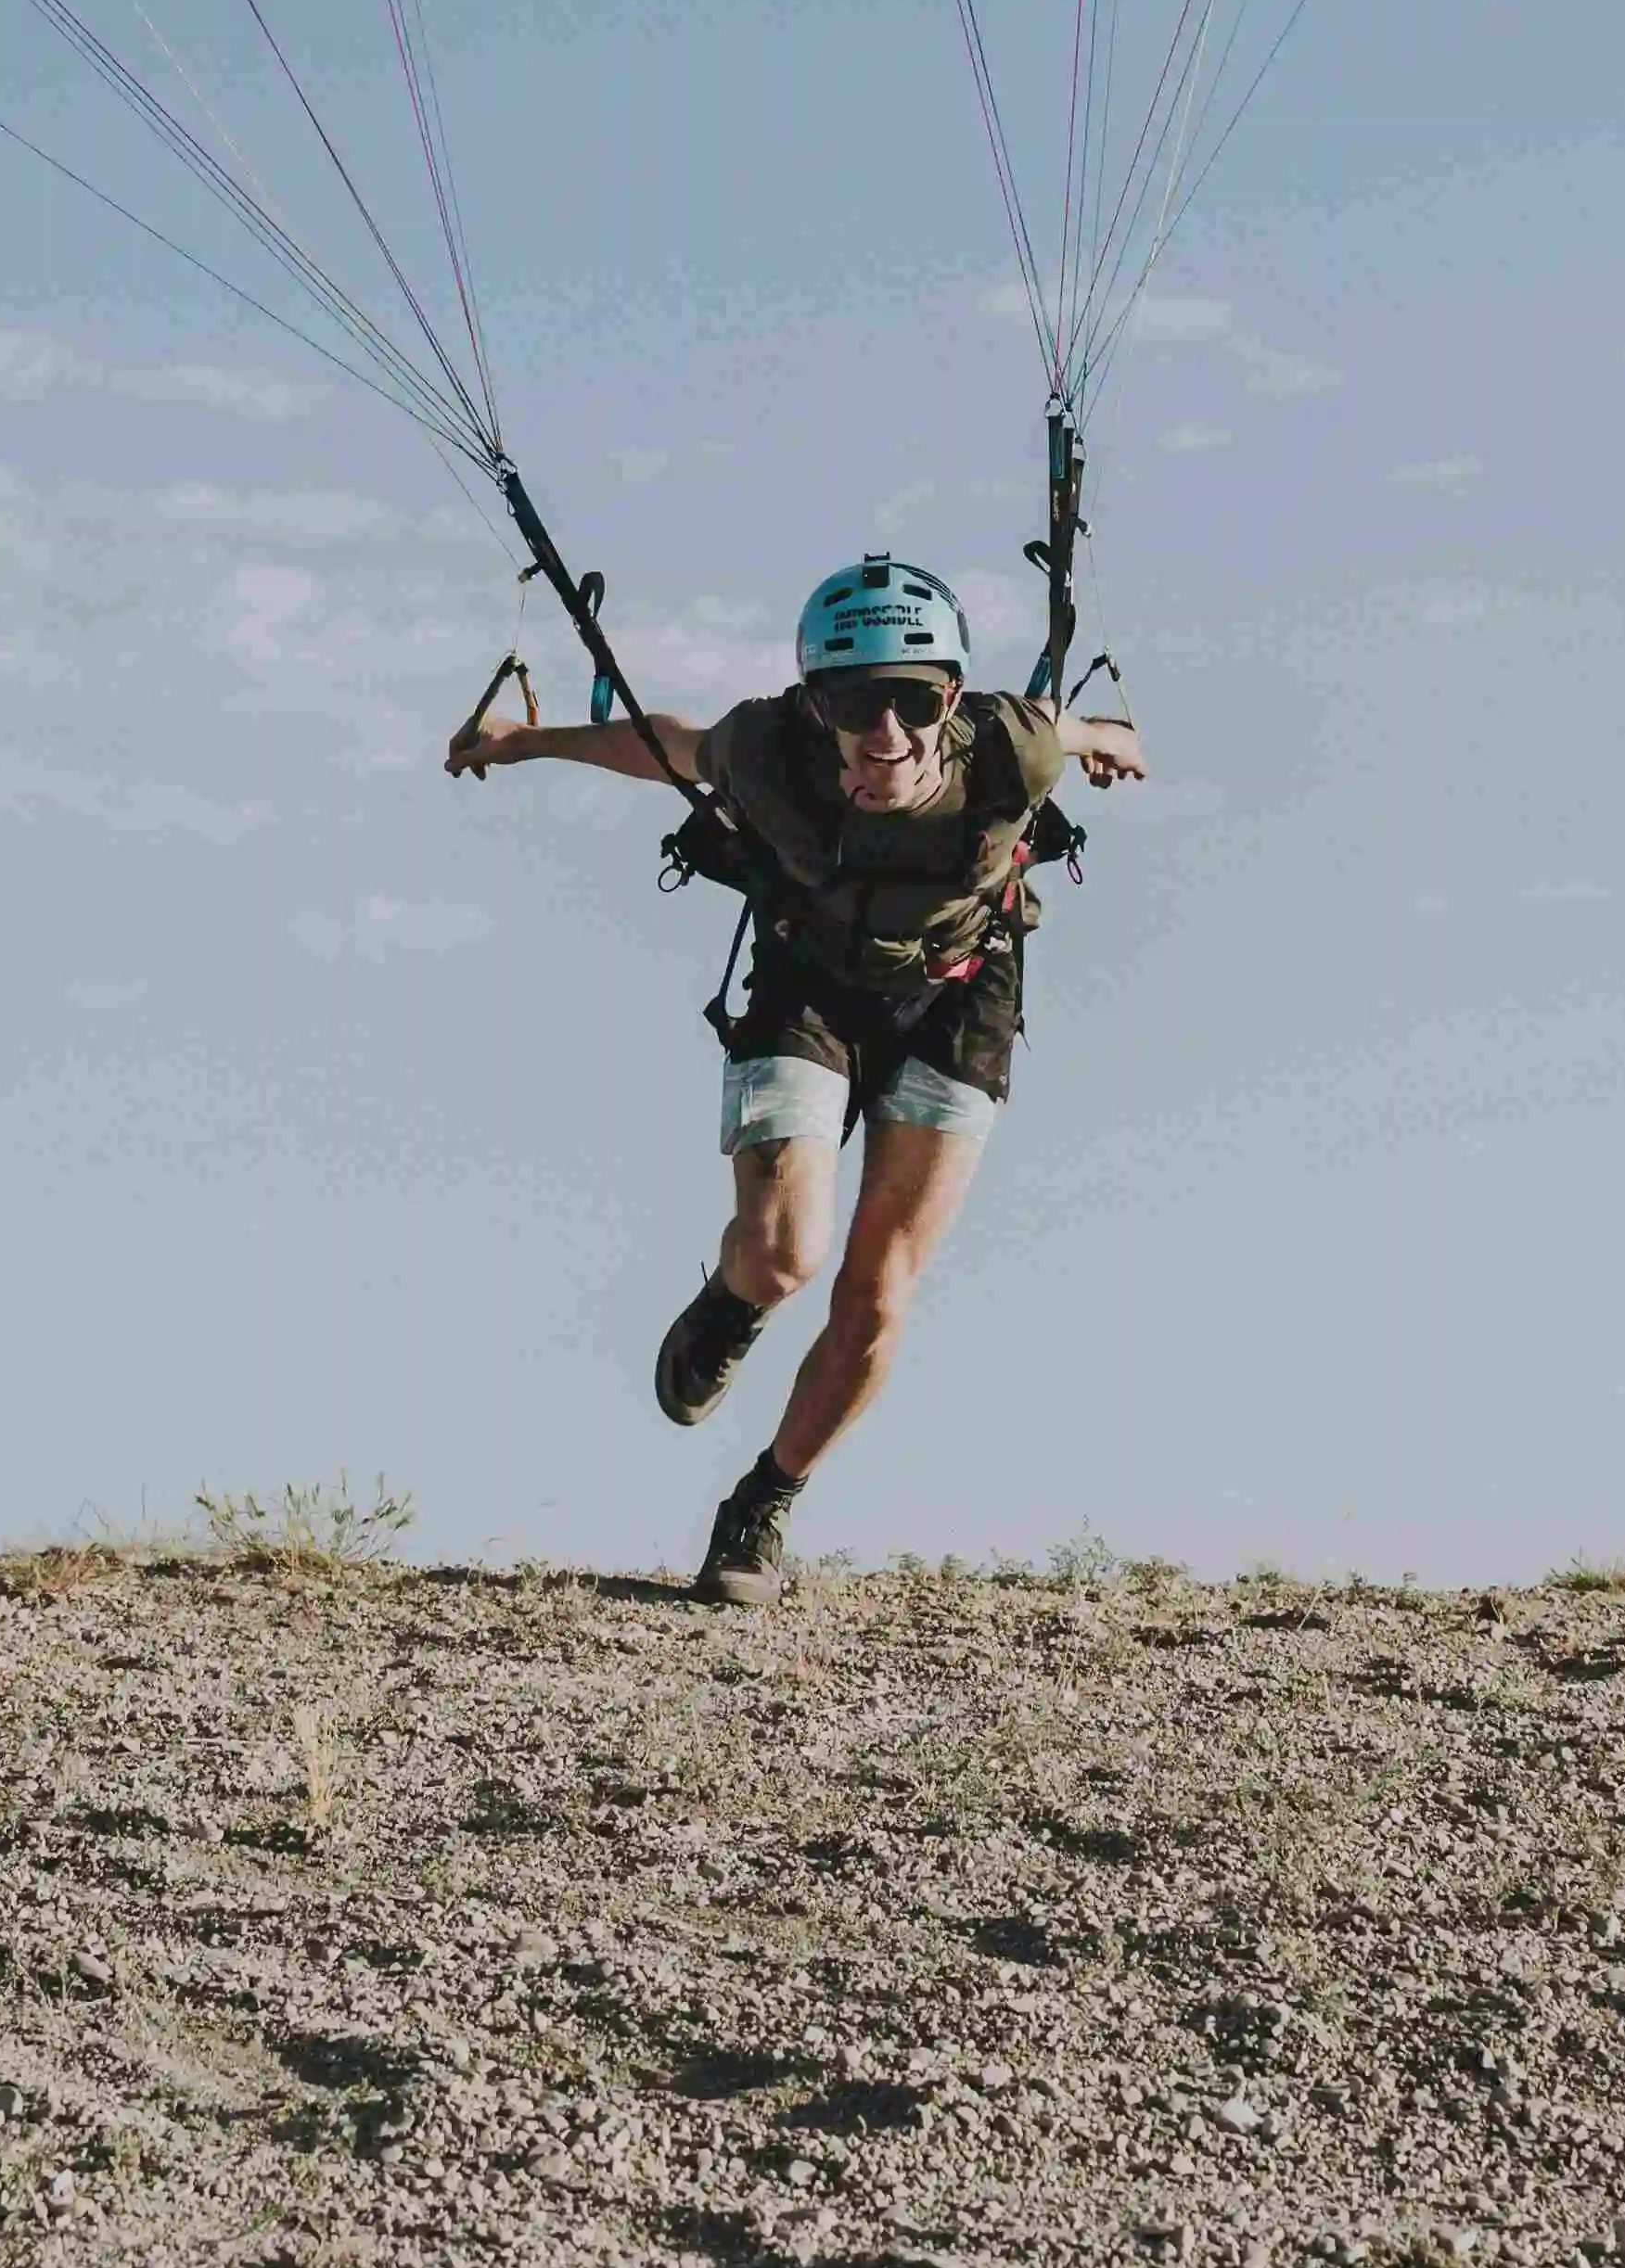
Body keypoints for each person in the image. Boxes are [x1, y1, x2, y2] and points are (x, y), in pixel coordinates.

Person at [445, 552, 1144, 1602]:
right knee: (783, 1253)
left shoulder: (1010, 748)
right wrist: (531, 740)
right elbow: (667, 743)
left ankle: (764, 1498)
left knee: (875, 1294)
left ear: (949, 695)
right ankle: (731, 1303)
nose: (886, 730)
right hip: (808, 982)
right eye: (856, 700)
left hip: (957, 997)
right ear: (817, 702)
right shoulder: (768, 746)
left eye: (913, 699)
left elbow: (1067, 726)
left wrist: (1108, 738)